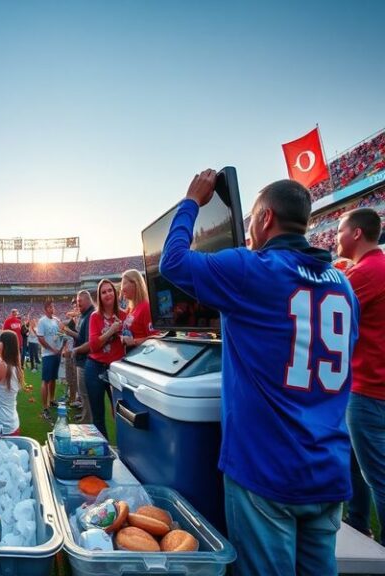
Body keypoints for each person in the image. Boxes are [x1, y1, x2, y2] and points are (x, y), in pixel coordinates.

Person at [160, 170, 359, 576]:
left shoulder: (254, 270)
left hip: (268, 469)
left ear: (266, 218)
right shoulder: (343, 285)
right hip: (327, 467)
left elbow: (173, 262)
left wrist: (191, 202)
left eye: (252, 218)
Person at [336, 207, 385, 543]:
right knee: (355, 464)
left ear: (356, 234)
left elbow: (329, 313)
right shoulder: (372, 268)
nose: (335, 237)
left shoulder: (366, 273)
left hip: (367, 387)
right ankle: (358, 524)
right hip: (371, 383)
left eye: (340, 230)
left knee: (377, 475)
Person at [86, 279, 126, 440]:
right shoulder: (95, 317)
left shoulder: (124, 315)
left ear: (115, 293)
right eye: (103, 292)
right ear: (100, 297)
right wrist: (111, 330)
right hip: (95, 367)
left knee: (122, 412)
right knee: (98, 415)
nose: (108, 294)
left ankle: (125, 449)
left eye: (110, 290)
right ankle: (104, 452)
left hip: (116, 368)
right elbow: (93, 345)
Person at [63, 290, 95, 423]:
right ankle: (85, 415)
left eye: (79, 301)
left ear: (87, 300)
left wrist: (67, 331)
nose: (77, 304)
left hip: (85, 359)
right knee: (82, 392)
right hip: (81, 359)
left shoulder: (90, 316)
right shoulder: (84, 315)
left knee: (85, 393)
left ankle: (87, 420)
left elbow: (86, 340)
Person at [37, 299, 65, 421]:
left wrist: (60, 347)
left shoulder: (56, 320)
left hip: (57, 353)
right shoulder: (42, 321)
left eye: (53, 307)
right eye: (50, 307)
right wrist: (51, 349)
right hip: (48, 354)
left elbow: (60, 334)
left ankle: (52, 400)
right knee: (46, 380)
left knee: (53, 378)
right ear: (46, 309)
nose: (52, 309)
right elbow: (40, 338)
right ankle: (45, 406)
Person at [119, 269, 155, 349]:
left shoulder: (146, 307)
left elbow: (155, 338)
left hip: (143, 357)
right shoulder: (130, 308)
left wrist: (134, 341)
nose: (121, 289)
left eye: (124, 283)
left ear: (135, 284)